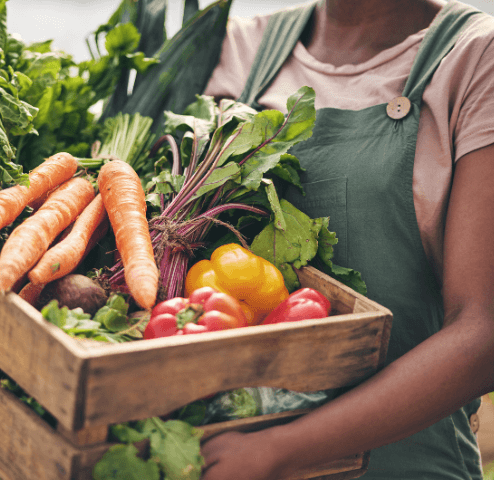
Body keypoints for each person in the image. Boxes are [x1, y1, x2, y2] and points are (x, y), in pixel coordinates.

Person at [199, 0, 494, 478]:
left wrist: (279, 450)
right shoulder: (237, 46)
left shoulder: (475, 56)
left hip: (404, 463)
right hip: (225, 454)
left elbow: (483, 333)